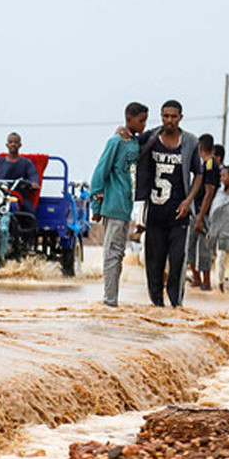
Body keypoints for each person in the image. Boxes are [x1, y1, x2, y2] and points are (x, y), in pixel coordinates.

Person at [135, 100, 204, 307]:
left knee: (177, 261)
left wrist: (188, 201)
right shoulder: (152, 138)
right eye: (165, 116)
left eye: (173, 116)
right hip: (155, 212)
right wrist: (121, 131)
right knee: (154, 263)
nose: (169, 120)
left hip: (178, 214)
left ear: (180, 117)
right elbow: (131, 142)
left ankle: (176, 304)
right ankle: (156, 305)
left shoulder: (190, 141)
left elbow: (198, 174)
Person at [90, 102, 148, 307]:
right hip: (113, 206)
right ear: (129, 119)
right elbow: (99, 173)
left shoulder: (133, 142)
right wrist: (95, 207)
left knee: (119, 253)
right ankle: (109, 301)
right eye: (140, 121)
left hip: (125, 207)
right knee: (112, 253)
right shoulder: (115, 142)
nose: (143, 124)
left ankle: (112, 299)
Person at [188, 134, 220, 291]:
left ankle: (205, 282)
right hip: (197, 211)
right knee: (191, 246)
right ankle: (197, 279)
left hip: (204, 212)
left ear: (200, 147)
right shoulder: (205, 164)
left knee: (203, 248)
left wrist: (200, 217)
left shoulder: (210, 165)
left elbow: (209, 193)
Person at [0, 133, 41, 216]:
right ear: (7, 145)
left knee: (30, 213)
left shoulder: (26, 163)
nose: (13, 144)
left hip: (18, 195)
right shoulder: (0, 162)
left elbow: (33, 175)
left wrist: (34, 183)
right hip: (0, 195)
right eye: (10, 142)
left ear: (20, 145)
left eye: (15, 142)